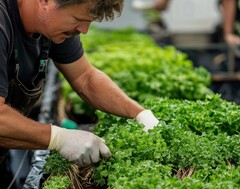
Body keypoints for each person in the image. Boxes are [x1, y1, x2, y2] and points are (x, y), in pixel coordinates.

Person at [0, 0, 159, 168]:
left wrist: (140, 114)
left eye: (88, 22)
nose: (84, 30)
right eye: (78, 19)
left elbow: (85, 77)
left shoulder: (53, 25)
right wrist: (58, 138)